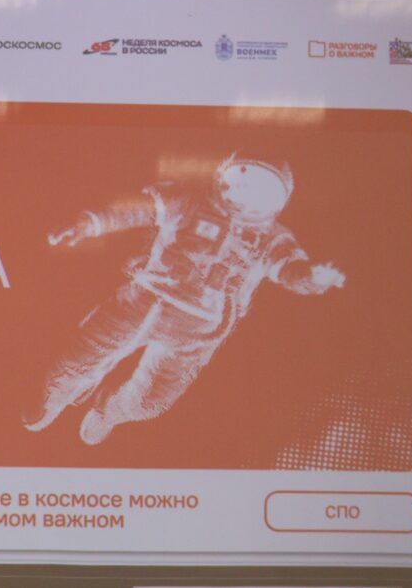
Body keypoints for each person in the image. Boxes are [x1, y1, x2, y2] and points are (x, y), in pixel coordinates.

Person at [24, 156, 345, 445]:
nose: (245, 198)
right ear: (224, 178)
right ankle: (57, 395)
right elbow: (137, 209)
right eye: (241, 182)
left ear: (275, 201)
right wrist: (89, 224)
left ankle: (114, 409)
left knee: (152, 399)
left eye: (258, 192)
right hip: (147, 299)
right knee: (84, 353)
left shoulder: (273, 239)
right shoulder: (190, 200)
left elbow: (289, 269)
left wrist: (311, 277)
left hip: (199, 329)